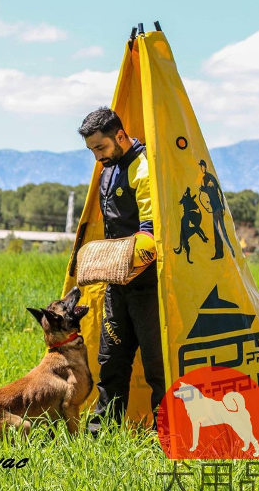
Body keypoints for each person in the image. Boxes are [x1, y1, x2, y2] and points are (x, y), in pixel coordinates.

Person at [77, 107, 165, 434]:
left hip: (147, 286)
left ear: (119, 136)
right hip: (118, 287)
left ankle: (164, 439)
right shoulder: (107, 169)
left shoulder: (142, 167)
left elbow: (150, 229)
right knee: (111, 364)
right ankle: (102, 438)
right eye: (91, 151)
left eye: (100, 148)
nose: (97, 156)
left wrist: (128, 265)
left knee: (157, 368)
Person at [198, 159, 235, 260]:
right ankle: (219, 254)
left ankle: (231, 252)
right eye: (200, 166)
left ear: (205, 167)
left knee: (223, 231)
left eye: (202, 166)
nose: (201, 168)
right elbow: (204, 195)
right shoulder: (203, 179)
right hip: (213, 209)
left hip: (218, 208)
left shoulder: (210, 177)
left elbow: (218, 192)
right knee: (216, 232)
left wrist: (222, 207)